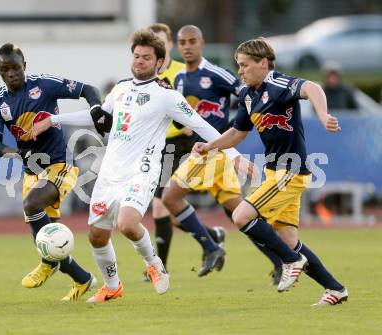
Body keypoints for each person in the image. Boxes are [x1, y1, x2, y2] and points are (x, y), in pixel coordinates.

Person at [30, 30, 254, 303]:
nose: (139, 61)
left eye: (146, 58)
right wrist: (53, 120)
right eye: (136, 56)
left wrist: (233, 155)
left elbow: (201, 125)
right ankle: (112, 287)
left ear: (159, 62)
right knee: (97, 236)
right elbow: (97, 114)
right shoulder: (121, 88)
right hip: (110, 173)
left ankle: (154, 264)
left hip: (142, 171)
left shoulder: (167, 96)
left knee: (126, 224)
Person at [193, 37, 348, 306]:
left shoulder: (277, 84)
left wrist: (322, 115)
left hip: (291, 171)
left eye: (244, 65)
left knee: (241, 215)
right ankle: (335, 288)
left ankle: (291, 262)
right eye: (238, 65)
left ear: (263, 63)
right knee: (288, 239)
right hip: (276, 173)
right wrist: (210, 146)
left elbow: (312, 87)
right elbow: (237, 134)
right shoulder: (247, 94)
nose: (240, 71)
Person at [161, 25, 283, 280]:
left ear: (202, 42)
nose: (187, 46)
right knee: (239, 214)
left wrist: (245, 131)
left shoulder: (216, 74)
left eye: (192, 41)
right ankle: (281, 258)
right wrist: (181, 125)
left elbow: (247, 92)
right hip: (207, 153)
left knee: (170, 198)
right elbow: (180, 115)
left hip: (212, 152)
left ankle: (210, 247)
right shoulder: (180, 78)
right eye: (182, 42)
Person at [0, 43, 98, 301]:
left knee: (31, 205)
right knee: (48, 237)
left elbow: (88, 90)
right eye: (5, 69)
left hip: (60, 164)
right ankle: (82, 279)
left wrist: (97, 109)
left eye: (15, 67)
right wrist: (15, 153)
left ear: (25, 65)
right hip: (31, 172)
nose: (11, 73)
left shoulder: (44, 85)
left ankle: (47, 264)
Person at [147, 23, 226, 275]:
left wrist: (191, 124)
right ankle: (212, 236)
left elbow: (196, 108)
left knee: (161, 206)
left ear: (169, 45)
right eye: (151, 44)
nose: (156, 48)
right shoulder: (145, 76)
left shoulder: (183, 73)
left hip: (182, 145)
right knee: (166, 209)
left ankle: (161, 268)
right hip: (155, 148)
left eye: (160, 42)